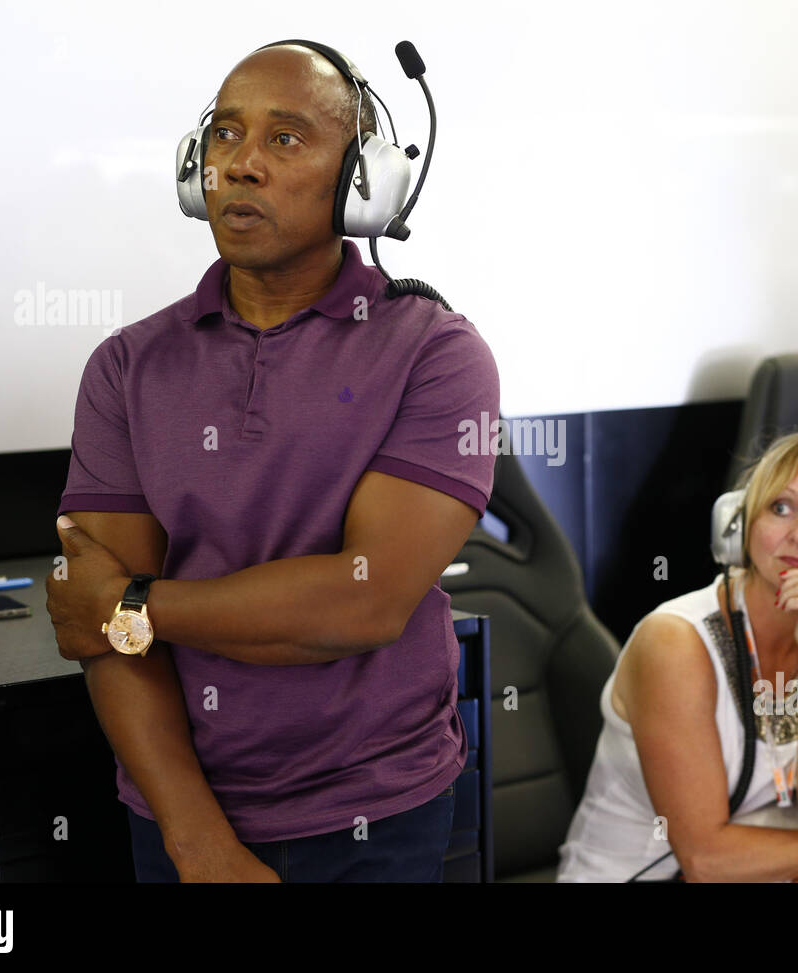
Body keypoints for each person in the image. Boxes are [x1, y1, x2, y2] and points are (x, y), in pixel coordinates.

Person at [45, 40, 499, 882]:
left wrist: (135, 606)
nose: (240, 165)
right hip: (180, 817)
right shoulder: (126, 365)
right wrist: (198, 841)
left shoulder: (436, 354)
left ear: (361, 178)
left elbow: (359, 605)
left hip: (381, 813)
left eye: (285, 138)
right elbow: (102, 636)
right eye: (223, 136)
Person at [557, 423, 798, 882]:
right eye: (781, 508)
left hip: (758, 872)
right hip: (649, 875)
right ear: (740, 524)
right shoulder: (674, 642)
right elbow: (706, 861)